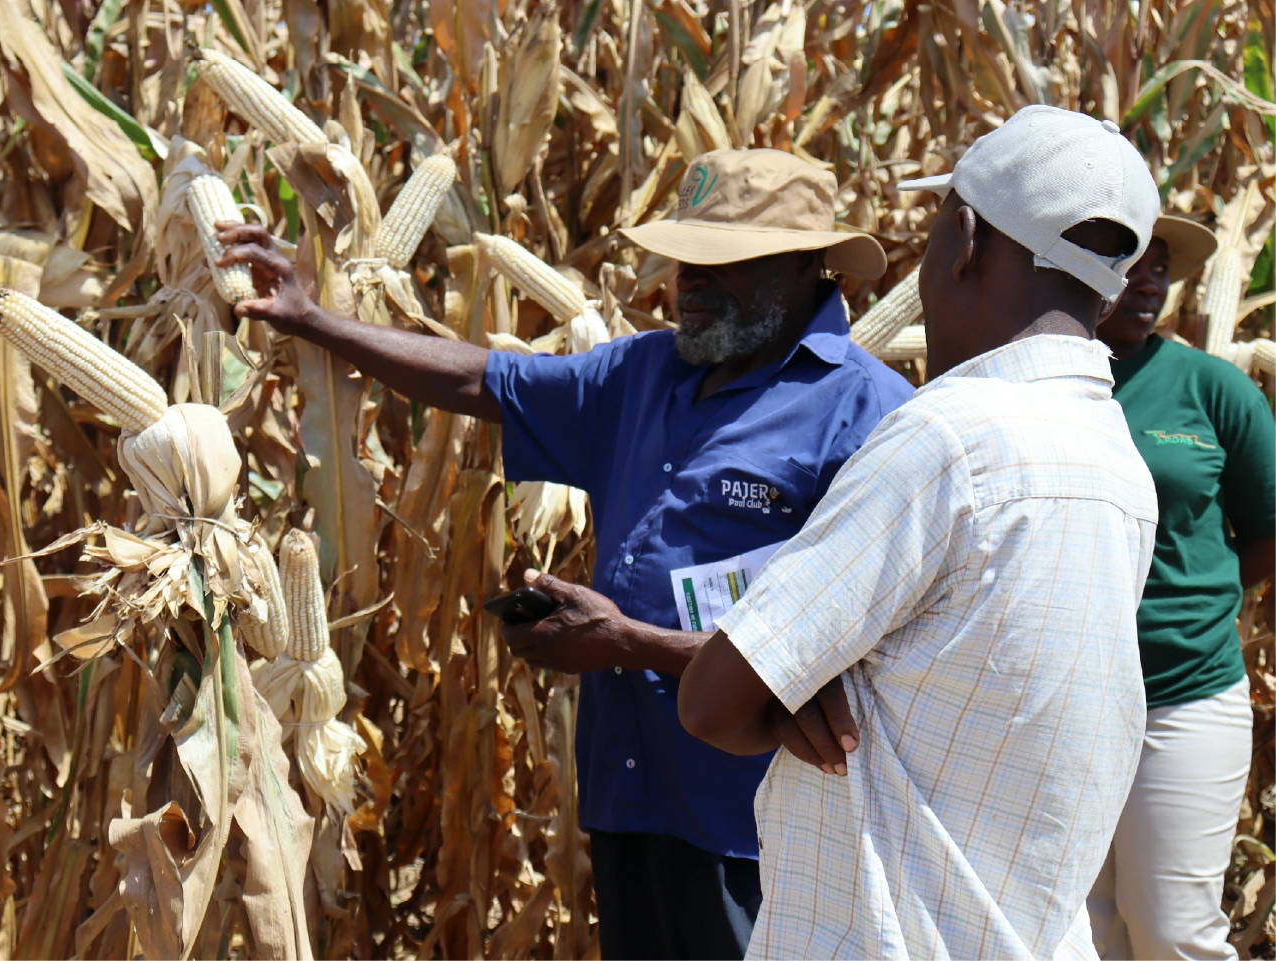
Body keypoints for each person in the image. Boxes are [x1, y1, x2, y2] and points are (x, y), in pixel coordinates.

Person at [215, 148, 914, 961]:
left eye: (722, 264)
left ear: (802, 269)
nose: (688, 280)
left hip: (757, 828)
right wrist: (314, 319)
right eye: (685, 258)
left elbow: (858, 671)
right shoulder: (643, 371)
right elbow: (487, 383)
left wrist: (622, 643)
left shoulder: (870, 417)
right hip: (629, 798)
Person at [678, 105, 1162, 959]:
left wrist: (787, 692)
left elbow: (714, 699)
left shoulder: (948, 439)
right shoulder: (1116, 462)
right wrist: (800, 684)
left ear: (964, 242)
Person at [1089, 216, 1276, 961]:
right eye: (1128, 262)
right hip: (1065, 697)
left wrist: (1189, 602)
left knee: (1173, 932)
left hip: (1183, 692)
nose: (1148, 281)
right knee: (1086, 927)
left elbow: (1264, 533)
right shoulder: (1032, 380)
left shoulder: (1211, 389)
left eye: (1159, 267)